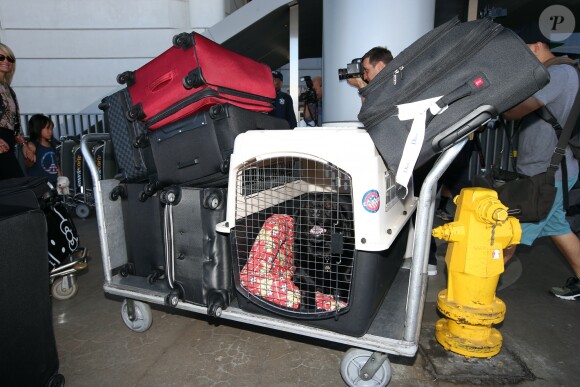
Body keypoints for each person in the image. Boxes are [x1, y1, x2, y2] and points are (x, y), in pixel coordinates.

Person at [502, 24, 580, 300]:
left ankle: (476, 291)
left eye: (522, 53)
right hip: (549, 173)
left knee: (508, 236)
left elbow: (513, 112)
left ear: (537, 46)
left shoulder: (558, 74)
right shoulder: (556, 73)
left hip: (548, 176)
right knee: (559, 229)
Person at [347, 45, 438, 275]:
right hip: (412, 152)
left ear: (381, 65)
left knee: (420, 206)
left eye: (367, 70)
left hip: (417, 153)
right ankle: (418, 257)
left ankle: (429, 261)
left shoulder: (396, 82)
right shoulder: (399, 79)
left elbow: (371, 115)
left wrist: (362, 89)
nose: (365, 75)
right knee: (408, 206)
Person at [0, 43, 33, 180]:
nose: (6, 61)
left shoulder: (8, 89)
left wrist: (24, 144)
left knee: (13, 188)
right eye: (1, 57)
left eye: (10, 59)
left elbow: (15, 122)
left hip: (8, 142)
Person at [24, 114, 61, 185]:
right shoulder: (31, 145)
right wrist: (30, 160)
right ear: (37, 128)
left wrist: (60, 179)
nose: (50, 131)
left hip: (53, 183)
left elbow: (56, 164)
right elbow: (27, 165)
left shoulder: (51, 145)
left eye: (51, 129)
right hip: (39, 185)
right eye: (47, 128)